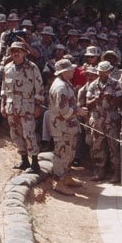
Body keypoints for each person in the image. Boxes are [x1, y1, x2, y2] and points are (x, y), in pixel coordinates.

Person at [0, 41, 44, 173]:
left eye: (18, 51)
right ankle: (24, 160)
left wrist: (38, 106)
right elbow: (4, 88)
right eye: (13, 51)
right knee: (15, 134)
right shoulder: (7, 68)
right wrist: (2, 105)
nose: (16, 53)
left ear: (24, 53)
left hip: (27, 107)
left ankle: (35, 163)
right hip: (12, 106)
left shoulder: (32, 68)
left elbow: (39, 88)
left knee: (29, 134)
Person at [46, 59, 88, 195]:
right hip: (62, 127)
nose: (73, 71)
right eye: (71, 69)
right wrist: (78, 111)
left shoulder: (65, 83)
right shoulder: (61, 87)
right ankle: (59, 182)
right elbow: (63, 110)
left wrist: (76, 108)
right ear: (64, 72)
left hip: (68, 127)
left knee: (69, 154)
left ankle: (66, 177)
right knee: (62, 155)